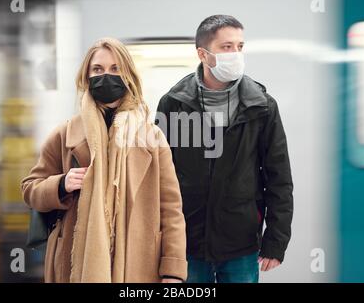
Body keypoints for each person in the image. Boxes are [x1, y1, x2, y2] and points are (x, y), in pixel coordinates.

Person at [21, 37, 187, 283]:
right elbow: (29, 189)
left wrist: (173, 272)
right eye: (97, 69)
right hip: (73, 262)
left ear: (128, 75)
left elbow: (171, 210)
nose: (106, 76)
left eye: (115, 69)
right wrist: (61, 184)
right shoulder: (65, 134)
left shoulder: (151, 137)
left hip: (139, 263)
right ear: (86, 77)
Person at [156, 15, 293, 283]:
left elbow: (279, 179)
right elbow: (158, 175)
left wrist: (275, 241)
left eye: (240, 47)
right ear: (203, 54)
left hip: (240, 244)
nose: (236, 54)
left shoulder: (262, 107)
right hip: (185, 243)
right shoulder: (173, 104)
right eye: (227, 47)